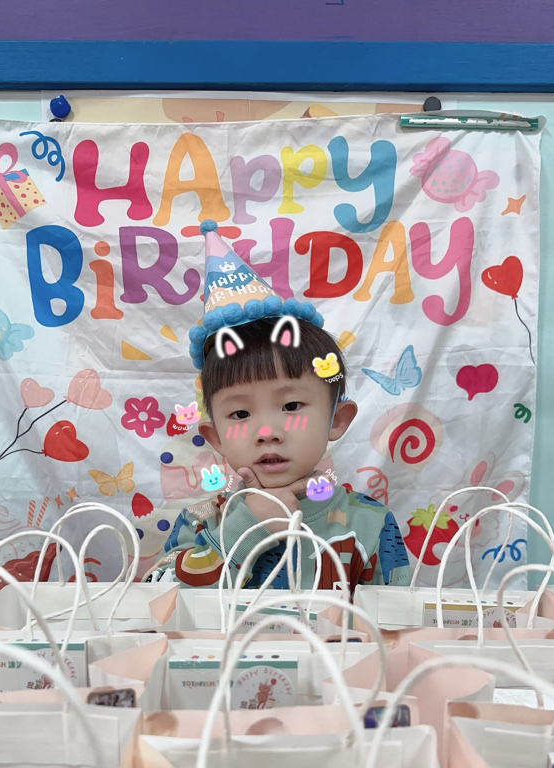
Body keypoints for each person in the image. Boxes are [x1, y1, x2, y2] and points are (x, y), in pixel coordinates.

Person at [141, 221, 411, 593]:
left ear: (336, 420)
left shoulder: (370, 522)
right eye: (240, 414)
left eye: (292, 405)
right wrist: (245, 529)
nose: (267, 432)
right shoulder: (201, 520)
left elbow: (398, 620)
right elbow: (156, 599)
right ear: (215, 437)